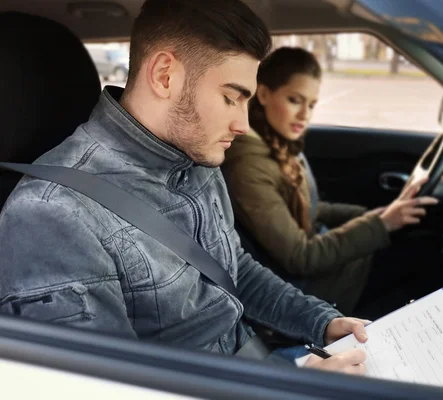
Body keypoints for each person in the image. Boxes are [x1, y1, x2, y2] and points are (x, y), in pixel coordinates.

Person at [0, 0, 369, 374]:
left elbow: (232, 270)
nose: (243, 124)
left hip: (258, 365)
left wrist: (320, 322)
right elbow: (110, 389)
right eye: (230, 97)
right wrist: (297, 389)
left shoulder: (193, 156)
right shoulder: (51, 215)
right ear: (164, 75)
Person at [222, 48, 439, 316]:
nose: (304, 115)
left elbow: (312, 209)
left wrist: (374, 216)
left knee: (421, 241)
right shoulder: (248, 165)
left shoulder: (280, 143)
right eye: (294, 100)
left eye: (311, 104)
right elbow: (301, 257)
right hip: (315, 289)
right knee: (428, 255)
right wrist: (380, 224)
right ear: (264, 95)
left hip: (327, 263)